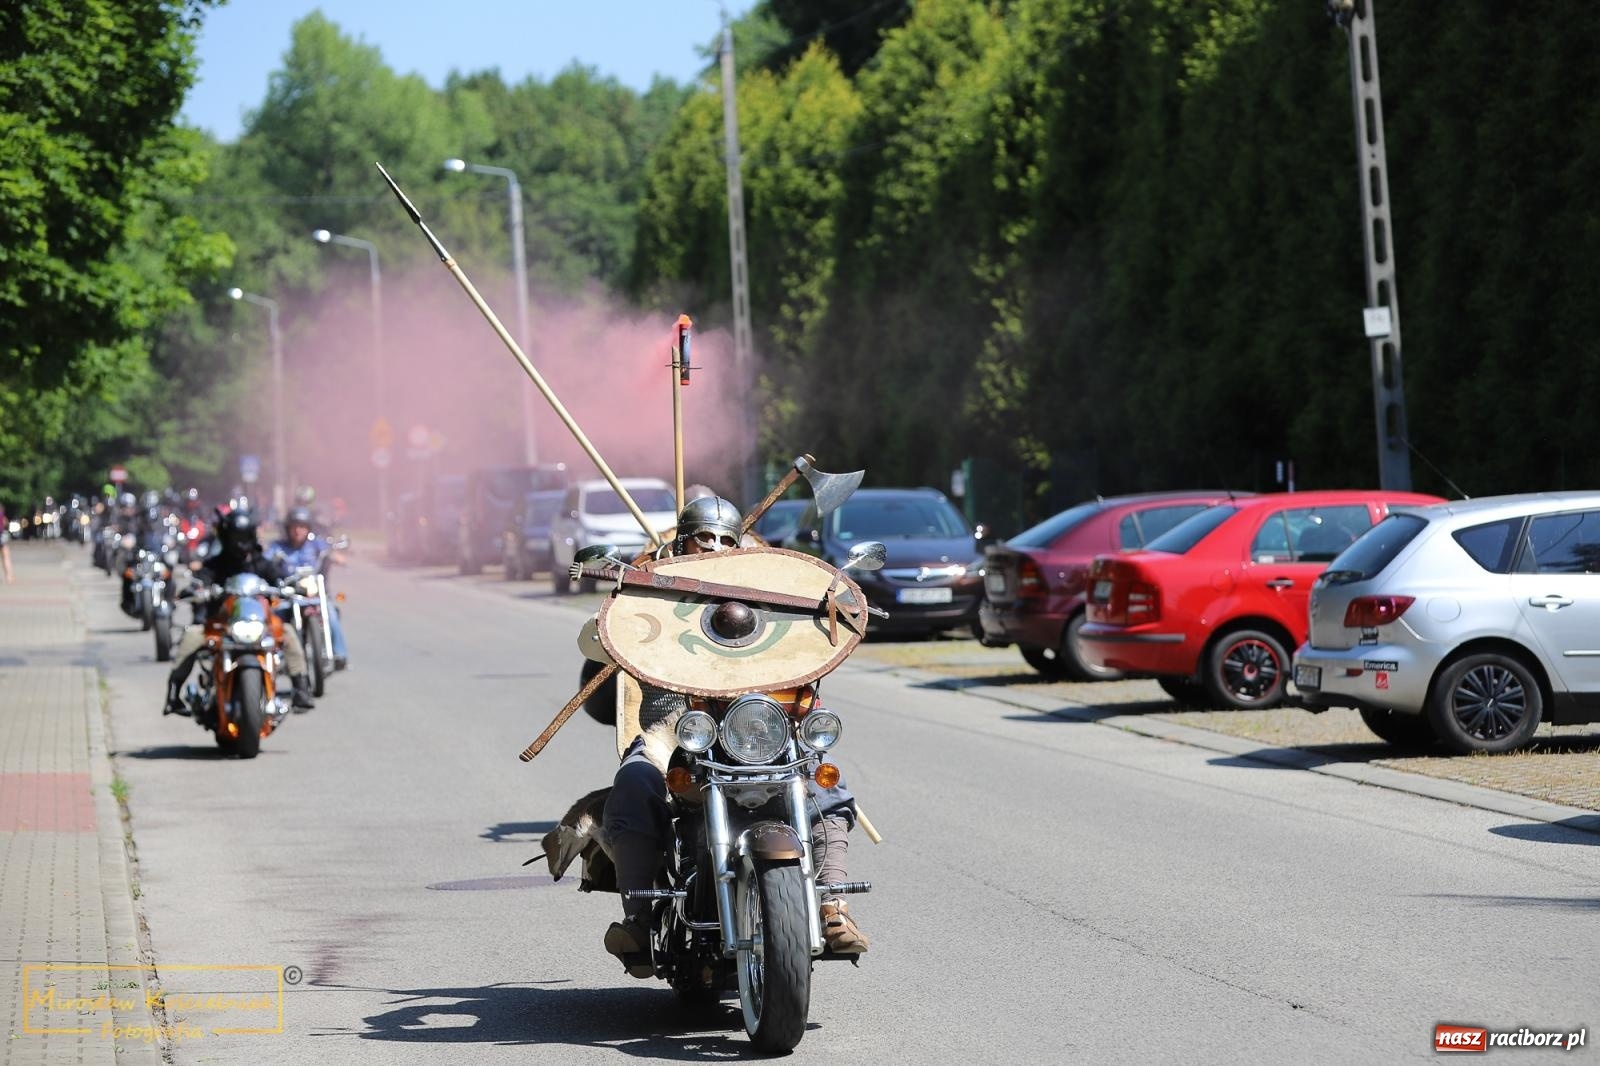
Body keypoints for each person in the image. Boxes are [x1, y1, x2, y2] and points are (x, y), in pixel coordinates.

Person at [598, 495, 868, 977]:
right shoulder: (654, 593)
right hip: (677, 728)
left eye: (726, 539)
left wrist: (832, 608)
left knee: (824, 782)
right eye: (703, 537)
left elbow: (804, 640)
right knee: (636, 780)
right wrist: (614, 623)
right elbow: (620, 634)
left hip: (756, 725)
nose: (714, 547)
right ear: (683, 542)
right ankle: (639, 919)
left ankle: (833, 907)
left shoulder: (766, 589)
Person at [162, 509, 316, 714]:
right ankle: (173, 695)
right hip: (221, 624)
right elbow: (201, 579)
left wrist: (289, 587)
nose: (240, 542)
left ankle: (302, 690)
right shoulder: (216, 564)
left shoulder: (260, 562)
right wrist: (195, 589)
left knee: (288, 632)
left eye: (243, 536)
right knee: (192, 636)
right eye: (235, 537)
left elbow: (278, 578)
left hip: (259, 623)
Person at [264, 507, 348, 668]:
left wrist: (336, 557)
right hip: (288, 595)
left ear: (308, 528)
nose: (298, 530)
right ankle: (275, 655)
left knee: (331, 614)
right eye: (294, 526)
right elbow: (265, 558)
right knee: (275, 619)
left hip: (314, 594)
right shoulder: (278, 546)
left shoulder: (315, 544)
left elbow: (330, 552)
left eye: (302, 526)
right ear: (287, 528)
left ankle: (339, 654)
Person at [0, 502, 14, 584]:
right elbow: (5, 523)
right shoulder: (2, 514)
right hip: (1, 536)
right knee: (6, 557)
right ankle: (9, 576)